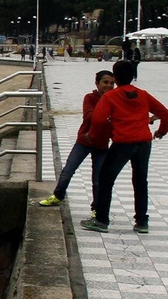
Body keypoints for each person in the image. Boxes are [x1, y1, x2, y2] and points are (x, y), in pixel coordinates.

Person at [80, 61, 168, 234]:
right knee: (140, 180)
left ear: (115, 77)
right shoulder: (143, 95)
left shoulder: (111, 96)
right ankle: (142, 221)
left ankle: (101, 220)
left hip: (122, 142)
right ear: (133, 76)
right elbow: (165, 113)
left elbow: (98, 119)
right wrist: (161, 131)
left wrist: (92, 135)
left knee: (106, 179)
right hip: (144, 142)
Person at [38, 68, 115, 212]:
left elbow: (119, 121)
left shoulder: (115, 100)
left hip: (102, 145)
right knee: (68, 170)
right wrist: (108, 116)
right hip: (84, 142)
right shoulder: (90, 98)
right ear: (97, 83)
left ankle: (96, 209)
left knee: (98, 179)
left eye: (112, 83)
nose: (109, 86)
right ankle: (58, 195)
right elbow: (89, 117)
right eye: (105, 82)